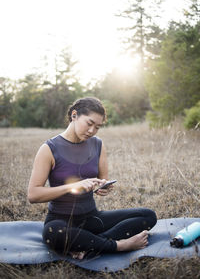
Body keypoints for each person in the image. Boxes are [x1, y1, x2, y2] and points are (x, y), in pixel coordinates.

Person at [28, 97, 157, 259]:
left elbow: (102, 180)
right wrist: (73, 186)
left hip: (92, 219)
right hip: (61, 221)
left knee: (148, 216)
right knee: (53, 234)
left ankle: (90, 245)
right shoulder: (49, 149)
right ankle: (119, 245)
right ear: (74, 115)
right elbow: (33, 195)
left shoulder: (98, 144)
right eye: (89, 124)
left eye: (97, 127)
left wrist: (103, 186)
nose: (92, 131)